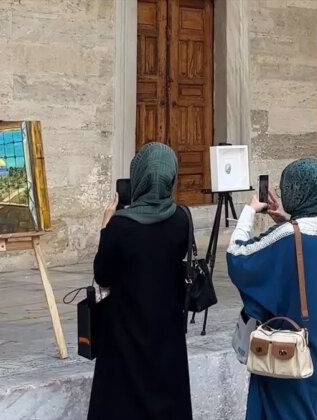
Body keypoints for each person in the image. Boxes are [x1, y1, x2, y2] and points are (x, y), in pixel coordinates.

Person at [227, 158, 317, 420]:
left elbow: (237, 256)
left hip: (287, 346)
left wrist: (249, 211)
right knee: (312, 408)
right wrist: (286, 220)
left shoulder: (286, 235)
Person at [88, 143, 193, 420]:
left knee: (123, 398)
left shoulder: (120, 226)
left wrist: (105, 226)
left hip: (125, 327)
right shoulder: (182, 219)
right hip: (166, 325)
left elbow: (103, 275)